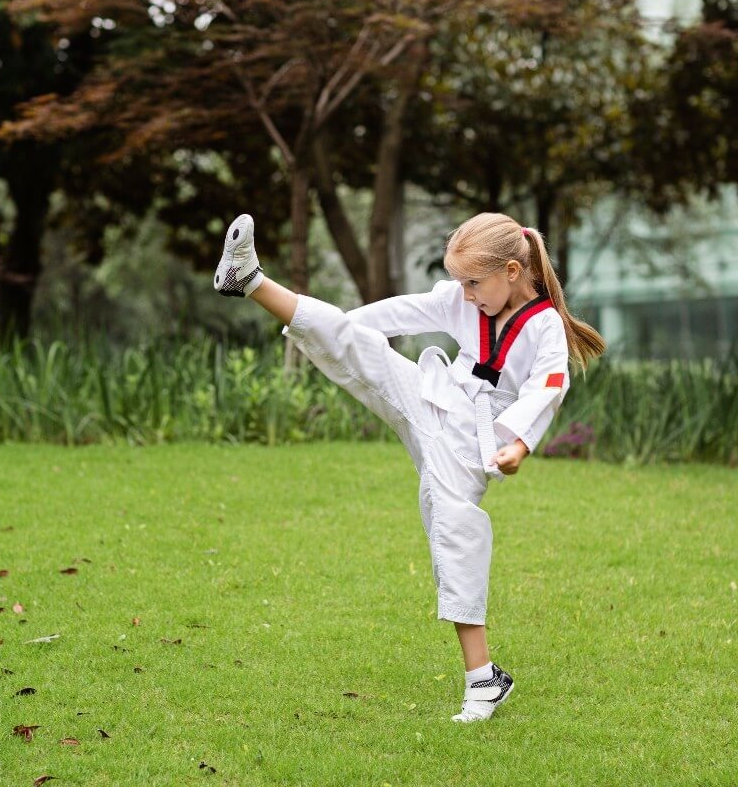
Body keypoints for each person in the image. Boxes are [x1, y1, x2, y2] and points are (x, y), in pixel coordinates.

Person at [213, 211, 605, 722]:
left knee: (453, 531)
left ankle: (483, 680)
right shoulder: (461, 296)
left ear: (512, 271)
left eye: (473, 282)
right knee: (358, 344)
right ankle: (250, 280)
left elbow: (549, 387)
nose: (464, 294)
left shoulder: (545, 327)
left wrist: (521, 446)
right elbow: (397, 314)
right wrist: (340, 327)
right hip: (431, 396)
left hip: (469, 448)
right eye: (459, 281)